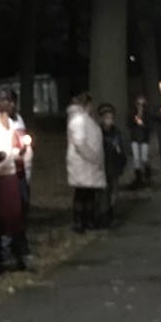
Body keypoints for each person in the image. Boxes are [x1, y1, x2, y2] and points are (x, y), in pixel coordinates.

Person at [0, 89, 32, 271]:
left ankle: (14, 252)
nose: (7, 103)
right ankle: (1, 254)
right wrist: (1, 157)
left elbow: (10, 147)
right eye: (3, 99)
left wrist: (19, 153)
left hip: (11, 172)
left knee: (14, 214)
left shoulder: (10, 121)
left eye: (10, 100)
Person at [65, 93, 106, 234]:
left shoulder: (83, 119)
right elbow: (80, 143)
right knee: (82, 193)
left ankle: (87, 220)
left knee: (87, 193)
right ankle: (80, 222)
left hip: (86, 164)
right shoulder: (79, 120)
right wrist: (93, 157)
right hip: (82, 163)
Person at [97, 103, 127, 226]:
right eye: (107, 118)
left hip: (114, 165)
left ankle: (110, 213)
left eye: (111, 118)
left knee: (114, 191)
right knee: (104, 192)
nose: (109, 121)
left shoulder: (116, 132)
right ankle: (104, 216)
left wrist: (122, 161)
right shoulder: (98, 132)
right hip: (103, 166)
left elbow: (121, 149)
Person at [127, 94, 154, 187]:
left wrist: (143, 124)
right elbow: (129, 124)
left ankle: (147, 173)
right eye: (138, 103)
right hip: (135, 137)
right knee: (136, 158)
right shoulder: (132, 113)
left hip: (144, 138)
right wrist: (135, 120)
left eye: (142, 104)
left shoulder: (148, 114)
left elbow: (150, 127)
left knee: (144, 157)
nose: (140, 106)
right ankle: (138, 177)